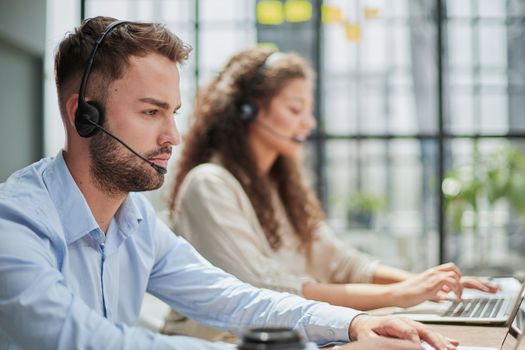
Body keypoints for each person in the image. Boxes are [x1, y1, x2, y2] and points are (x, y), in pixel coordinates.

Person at [0, 16, 457, 350]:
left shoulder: (134, 220)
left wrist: (352, 324)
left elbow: (231, 298)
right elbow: (76, 339)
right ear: (84, 114)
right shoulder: (16, 222)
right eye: (150, 112)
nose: (172, 137)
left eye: (172, 114)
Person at [165, 47, 498, 335]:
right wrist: (400, 294)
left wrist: (427, 286)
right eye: (295, 110)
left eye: (309, 111)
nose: (309, 123)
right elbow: (264, 291)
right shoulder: (209, 184)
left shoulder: (279, 188)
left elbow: (342, 263)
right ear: (247, 110)